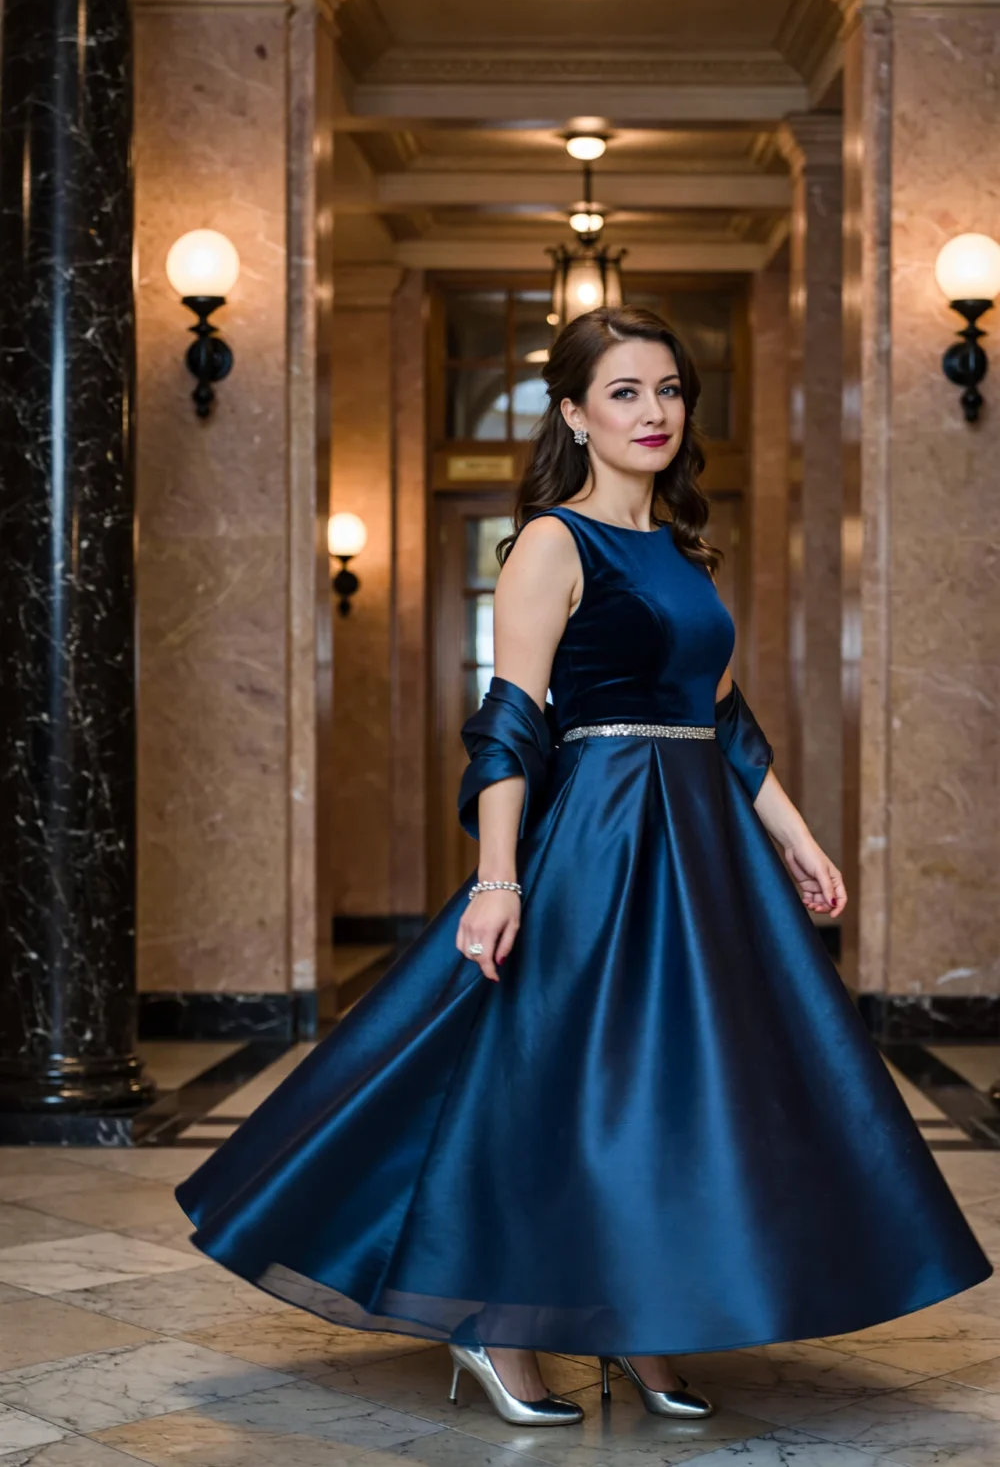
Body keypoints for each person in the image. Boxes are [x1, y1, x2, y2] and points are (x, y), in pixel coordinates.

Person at [175, 305, 992, 1430]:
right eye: (624, 392)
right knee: (567, 1087)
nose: (652, 411)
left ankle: (640, 1319)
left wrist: (798, 842)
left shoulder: (681, 549)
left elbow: (727, 724)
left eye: (667, 390)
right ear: (572, 412)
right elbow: (508, 723)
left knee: (683, 1092)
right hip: (605, 840)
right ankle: (498, 1324)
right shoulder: (553, 543)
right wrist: (499, 880)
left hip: (702, 849)